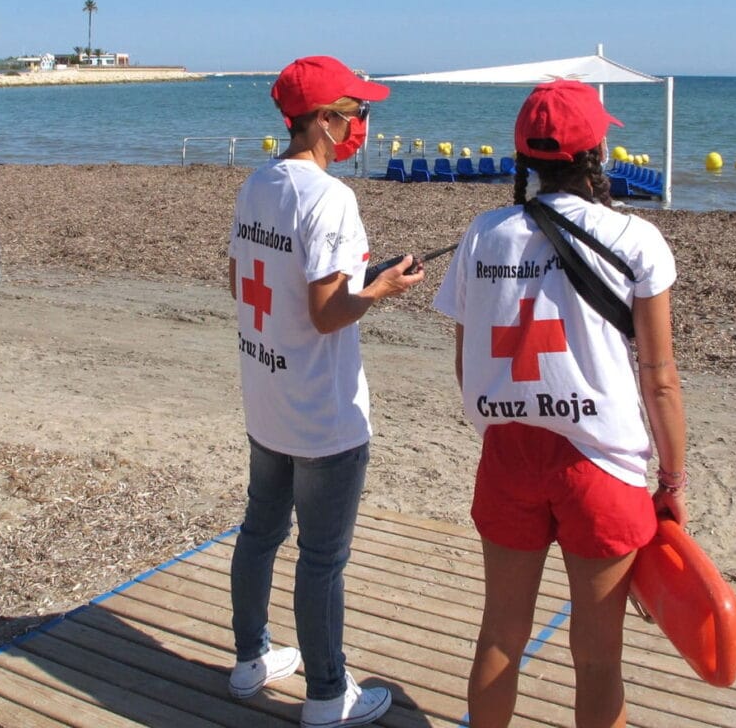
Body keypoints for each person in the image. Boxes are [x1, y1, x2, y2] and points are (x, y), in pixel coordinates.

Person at [431, 80, 688, 728]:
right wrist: (674, 478)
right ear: (598, 149)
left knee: (500, 636)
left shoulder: (483, 235)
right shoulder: (636, 240)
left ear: (526, 156)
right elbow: (659, 379)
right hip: (602, 465)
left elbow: (468, 364)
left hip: (509, 453)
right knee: (599, 658)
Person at [226, 55, 425, 728]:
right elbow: (326, 312)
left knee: (260, 531)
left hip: (267, 396)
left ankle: (250, 658)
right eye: (355, 111)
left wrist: (354, 284)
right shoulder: (330, 198)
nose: (362, 124)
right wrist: (380, 289)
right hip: (323, 413)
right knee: (321, 558)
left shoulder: (257, 184)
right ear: (321, 119)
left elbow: (241, 282)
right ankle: (326, 694)